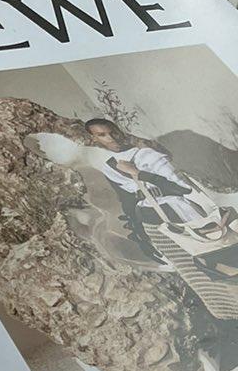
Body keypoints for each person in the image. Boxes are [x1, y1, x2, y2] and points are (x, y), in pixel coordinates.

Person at [84, 116, 238, 278]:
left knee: (217, 251)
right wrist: (140, 235)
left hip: (178, 212)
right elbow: (126, 200)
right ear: (93, 138)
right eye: (102, 135)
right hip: (149, 219)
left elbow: (181, 188)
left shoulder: (148, 155)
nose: (110, 138)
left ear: (119, 131)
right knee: (189, 268)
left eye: (113, 132)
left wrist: (138, 173)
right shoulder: (109, 167)